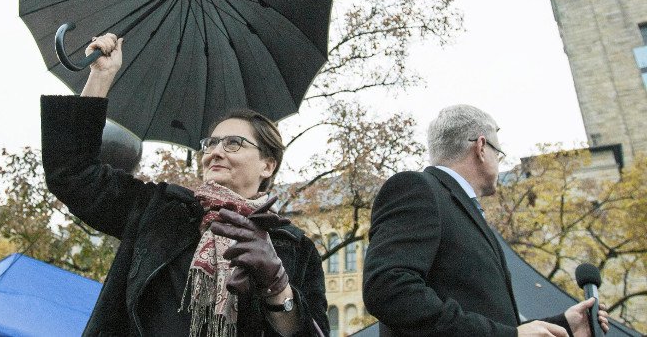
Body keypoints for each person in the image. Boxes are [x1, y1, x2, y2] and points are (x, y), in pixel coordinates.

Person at [40, 33, 328, 337]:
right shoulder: (159, 210)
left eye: (233, 143)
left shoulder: (294, 249)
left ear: (267, 165)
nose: (215, 152)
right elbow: (73, 174)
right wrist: (101, 76)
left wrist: (277, 285)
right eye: (211, 143)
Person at [362, 104, 610, 337]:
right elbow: (388, 289)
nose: (498, 161)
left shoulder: (465, 212)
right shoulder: (418, 188)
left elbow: (489, 318)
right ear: (481, 147)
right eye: (498, 152)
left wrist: (564, 324)